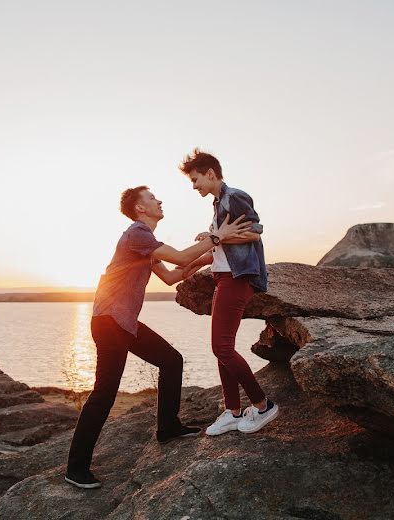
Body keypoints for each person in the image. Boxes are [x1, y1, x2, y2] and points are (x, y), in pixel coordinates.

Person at [65, 185, 252, 489]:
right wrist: (218, 236)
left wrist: (207, 259)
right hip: (110, 322)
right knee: (104, 395)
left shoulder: (145, 243)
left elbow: (171, 276)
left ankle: (168, 427)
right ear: (140, 208)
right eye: (152, 198)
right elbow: (178, 258)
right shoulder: (137, 233)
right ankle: (75, 469)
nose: (159, 200)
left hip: (124, 323)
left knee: (171, 361)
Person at [179, 149, 279, 437]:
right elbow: (220, 247)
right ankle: (233, 412)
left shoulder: (234, 196)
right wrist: (194, 263)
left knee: (221, 348)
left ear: (211, 174)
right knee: (223, 347)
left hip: (238, 279)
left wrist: (217, 236)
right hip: (224, 278)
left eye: (196, 180)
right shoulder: (218, 203)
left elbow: (255, 232)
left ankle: (263, 405)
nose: (194, 186)